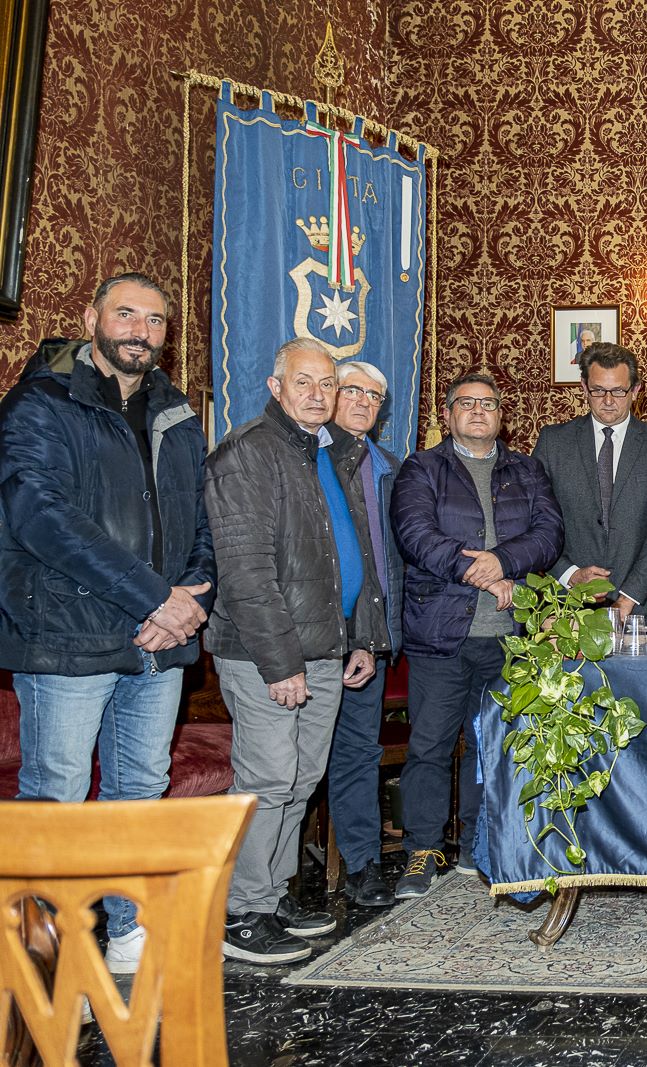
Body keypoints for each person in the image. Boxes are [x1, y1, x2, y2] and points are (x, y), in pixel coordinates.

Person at [0, 272, 214, 975]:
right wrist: (154, 596)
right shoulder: (41, 401)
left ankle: (128, 940)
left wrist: (190, 600)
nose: (140, 331)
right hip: (66, 634)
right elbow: (42, 519)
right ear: (91, 316)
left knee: (140, 791)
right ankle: (41, 964)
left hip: (158, 643)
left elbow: (204, 521)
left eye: (155, 321)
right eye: (126, 314)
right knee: (56, 794)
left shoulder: (176, 409)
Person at [206, 337, 389, 964]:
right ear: (275, 385)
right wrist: (280, 664)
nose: (318, 394)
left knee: (302, 778)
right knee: (266, 778)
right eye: (304, 382)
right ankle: (241, 910)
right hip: (267, 654)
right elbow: (246, 572)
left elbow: (353, 556)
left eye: (327, 384)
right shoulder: (246, 454)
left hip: (327, 647)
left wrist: (360, 636)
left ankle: (274, 891)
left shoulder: (329, 453)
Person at [391, 371, 563, 898]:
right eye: (466, 403)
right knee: (430, 745)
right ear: (447, 414)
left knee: (493, 747)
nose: (479, 411)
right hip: (441, 633)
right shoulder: (423, 468)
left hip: (509, 638)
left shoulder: (526, 470)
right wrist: (480, 572)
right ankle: (422, 848)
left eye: (488, 403)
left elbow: (550, 533)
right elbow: (415, 533)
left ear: (501, 415)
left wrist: (504, 562)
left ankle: (478, 845)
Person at [324, 361, 405, 909]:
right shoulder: (308, 456)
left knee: (357, 750)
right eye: (351, 389)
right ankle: (265, 887)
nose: (362, 401)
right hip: (310, 636)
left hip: (366, 639)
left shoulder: (388, 467)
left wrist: (373, 640)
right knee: (294, 765)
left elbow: (384, 563)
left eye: (374, 396)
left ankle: (362, 864)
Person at [532, 342, 647, 624]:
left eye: (618, 391)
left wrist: (629, 597)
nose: (608, 400)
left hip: (642, 609)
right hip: (567, 607)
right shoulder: (553, 443)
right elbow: (536, 521)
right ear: (584, 387)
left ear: (635, 390)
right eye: (598, 390)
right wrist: (570, 574)